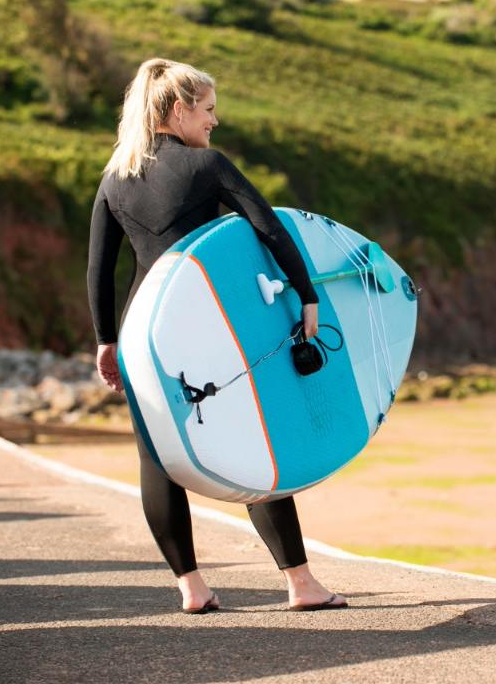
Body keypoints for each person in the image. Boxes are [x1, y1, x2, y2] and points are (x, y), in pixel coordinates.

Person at [86, 57, 347, 614]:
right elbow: (268, 226)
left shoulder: (116, 176)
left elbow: (100, 268)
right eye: (206, 110)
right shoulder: (205, 166)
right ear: (178, 110)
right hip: (207, 326)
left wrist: (106, 340)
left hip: (141, 332)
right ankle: (300, 584)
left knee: (156, 458)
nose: (214, 121)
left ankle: (193, 589)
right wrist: (307, 294)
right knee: (255, 440)